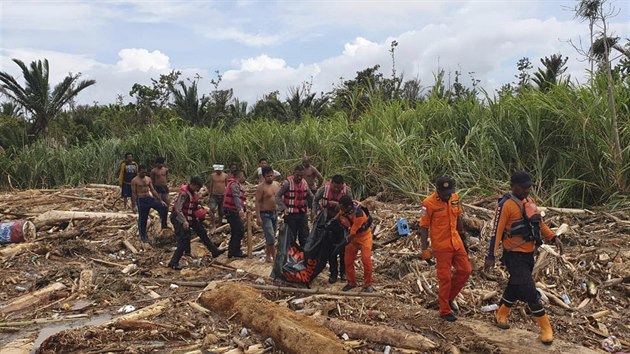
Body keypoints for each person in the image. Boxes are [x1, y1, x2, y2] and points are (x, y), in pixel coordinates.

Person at [484, 171, 563, 345]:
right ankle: (545, 328)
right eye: (524, 188)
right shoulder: (505, 205)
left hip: (529, 253)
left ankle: (501, 314)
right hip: (513, 255)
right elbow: (496, 231)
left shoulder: (530, 202)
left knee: (516, 284)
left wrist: (553, 237)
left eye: (529, 187)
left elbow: (539, 224)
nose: (528, 191)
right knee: (529, 290)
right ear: (514, 187)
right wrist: (491, 255)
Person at [419, 176, 472, 322]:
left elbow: (459, 217)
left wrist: (463, 237)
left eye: (449, 193)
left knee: (465, 270)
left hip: (456, 241)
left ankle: (448, 298)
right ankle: (444, 310)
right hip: (441, 246)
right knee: (445, 278)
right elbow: (423, 226)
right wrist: (425, 249)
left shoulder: (455, 197)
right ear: (437, 190)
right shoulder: (428, 203)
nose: (447, 196)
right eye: (444, 193)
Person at [168, 177, 224, 270]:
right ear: (192, 185)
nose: (198, 190)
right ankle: (173, 262)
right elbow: (178, 208)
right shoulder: (184, 194)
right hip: (179, 217)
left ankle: (214, 251)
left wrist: (201, 210)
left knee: (202, 232)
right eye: (197, 187)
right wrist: (184, 221)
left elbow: (193, 205)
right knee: (183, 239)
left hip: (190, 216)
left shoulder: (194, 193)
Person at [313, 175, 352, 283]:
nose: (336, 190)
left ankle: (343, 273)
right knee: (331, 250)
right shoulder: (323, 189)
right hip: (328, 223)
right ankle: (333, 274)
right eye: (335, 187)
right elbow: (315, 200)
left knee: (343, 250)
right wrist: (314, 214)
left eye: (339, 188)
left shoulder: (347, 191)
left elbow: (350, 205)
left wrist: (337, 205)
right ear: (331, 183)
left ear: (342, 185)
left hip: (342, 224)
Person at [338, 195, 374, 293]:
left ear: (348, 207)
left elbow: (352, 234)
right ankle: (351, 282)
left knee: (366, 260)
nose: (340, 209)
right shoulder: (346, 208)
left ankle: (368, 284)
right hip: (353, 238)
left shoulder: (359, 215)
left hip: (364, 237)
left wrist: (340, 245)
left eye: (341, 207)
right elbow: (338, 217)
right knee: (348, 261)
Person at [276, 165, 314, 248]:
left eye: (302, 175)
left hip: (302, 214)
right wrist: (284, 208)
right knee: (290, 237)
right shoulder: (287, 183)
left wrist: (313, 209)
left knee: (304, 236)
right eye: (298, 175)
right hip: (291, 215)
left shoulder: (304, 183)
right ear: (293, 173)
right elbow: (277, 196)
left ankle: (304, 255)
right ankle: (290, 256)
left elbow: (310, 196)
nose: (300, 177)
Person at [131, 166, 168, 243]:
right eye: (142, 172)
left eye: (145, 172)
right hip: (141, 200)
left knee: (163, 207)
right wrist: (133, 205)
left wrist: (160, 200)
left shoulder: (148, 179)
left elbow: (153, 190)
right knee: (143, 218)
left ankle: (164, 224)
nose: (144, 173)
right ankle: (143, 236)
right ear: (139, 172)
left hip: (149, 198)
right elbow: (134, 193)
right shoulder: (135, 180)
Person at [255, 166, 281, 263]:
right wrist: (258, 217)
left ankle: (267, 256)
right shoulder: (261, 187)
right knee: (270, 236)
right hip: (265, 214)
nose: (270, 178)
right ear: (264, 176)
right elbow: (257, 202)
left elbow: (280, 197)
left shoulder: (277, 184)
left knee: (272, 235)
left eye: (271, 175)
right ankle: (274, 258)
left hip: (274, 212)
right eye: (268, 176)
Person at [223, 170, 247, 258]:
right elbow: (236, 198)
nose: (244, 178)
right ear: (239, 176)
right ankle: (235, 250)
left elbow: (240, 199)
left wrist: (244, 208)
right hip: (231, 211)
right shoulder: (234, 185)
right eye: (243, 176)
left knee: (235, 230)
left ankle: (232, 251)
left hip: (231, 210)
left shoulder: (233, 184)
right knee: (239, 230)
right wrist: (240, 209)